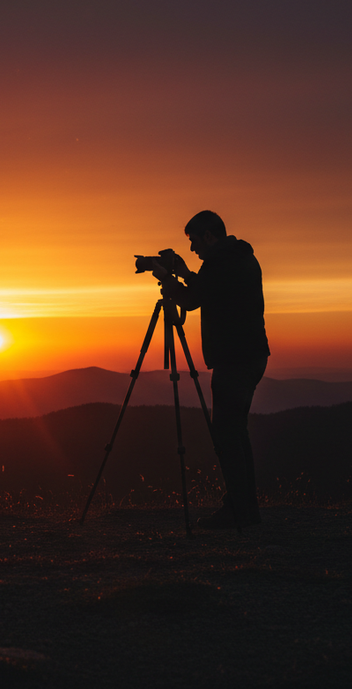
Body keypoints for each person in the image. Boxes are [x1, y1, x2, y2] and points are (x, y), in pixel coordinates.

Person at [151, 210, 270, 528]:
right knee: (236, 434)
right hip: (252, 355)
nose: (192, 249)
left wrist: (167, 279)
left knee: (228, 437)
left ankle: (238, 515)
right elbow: (210, 289)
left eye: (193, 241)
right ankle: (244, 509)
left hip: (234, 358)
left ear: (207, 236)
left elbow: (192, 300)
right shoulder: (239, 256)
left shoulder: (221, 262)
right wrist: (186, 273)